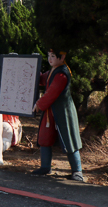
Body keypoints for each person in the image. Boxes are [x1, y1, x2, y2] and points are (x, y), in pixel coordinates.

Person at [32, 49, 84, 181]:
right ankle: (45, 167)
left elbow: (52, 92)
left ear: (62, 57)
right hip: (50, 112)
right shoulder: (53, 71)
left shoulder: (62, 73)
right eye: (49, 56)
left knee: (69, 139)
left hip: (63, 111)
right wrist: (33, 65)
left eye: (53, 56)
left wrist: (39, 104)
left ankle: (77, 171)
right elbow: (43, 79)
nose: (50, 59)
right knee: (45, 137)